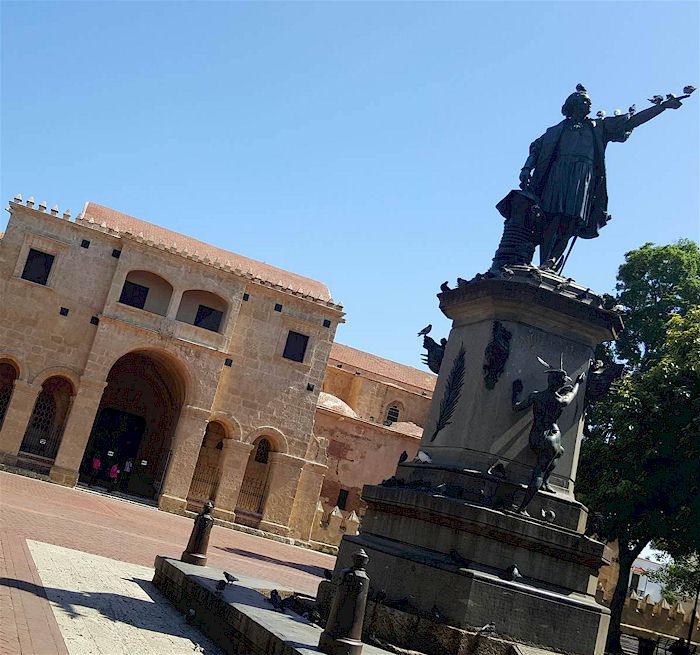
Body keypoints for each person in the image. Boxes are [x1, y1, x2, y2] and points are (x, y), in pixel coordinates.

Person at [494, 84, 686, 273]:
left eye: (589, 102)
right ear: (573, 104)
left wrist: (662, 107)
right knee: (551, 216)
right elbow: (536, 149)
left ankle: (551, 261)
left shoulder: (599, 126)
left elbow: (631, 122)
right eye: (585, 101)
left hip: (583, 176)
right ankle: (543, 259)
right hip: (558, 173)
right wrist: (526, 168)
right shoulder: (555, 131)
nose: (589, 104)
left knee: (571, 219)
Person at [512, 366, 585, 513]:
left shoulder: (536, 396)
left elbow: (516, 407)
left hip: (535, 436)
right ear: (560, 384)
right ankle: (522, 508)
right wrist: (578, 383)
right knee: (539, 472)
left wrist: (516, 392)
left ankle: (545, 483)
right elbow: (572, 394)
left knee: (560, 452)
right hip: (551, 436)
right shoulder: (560, 400)